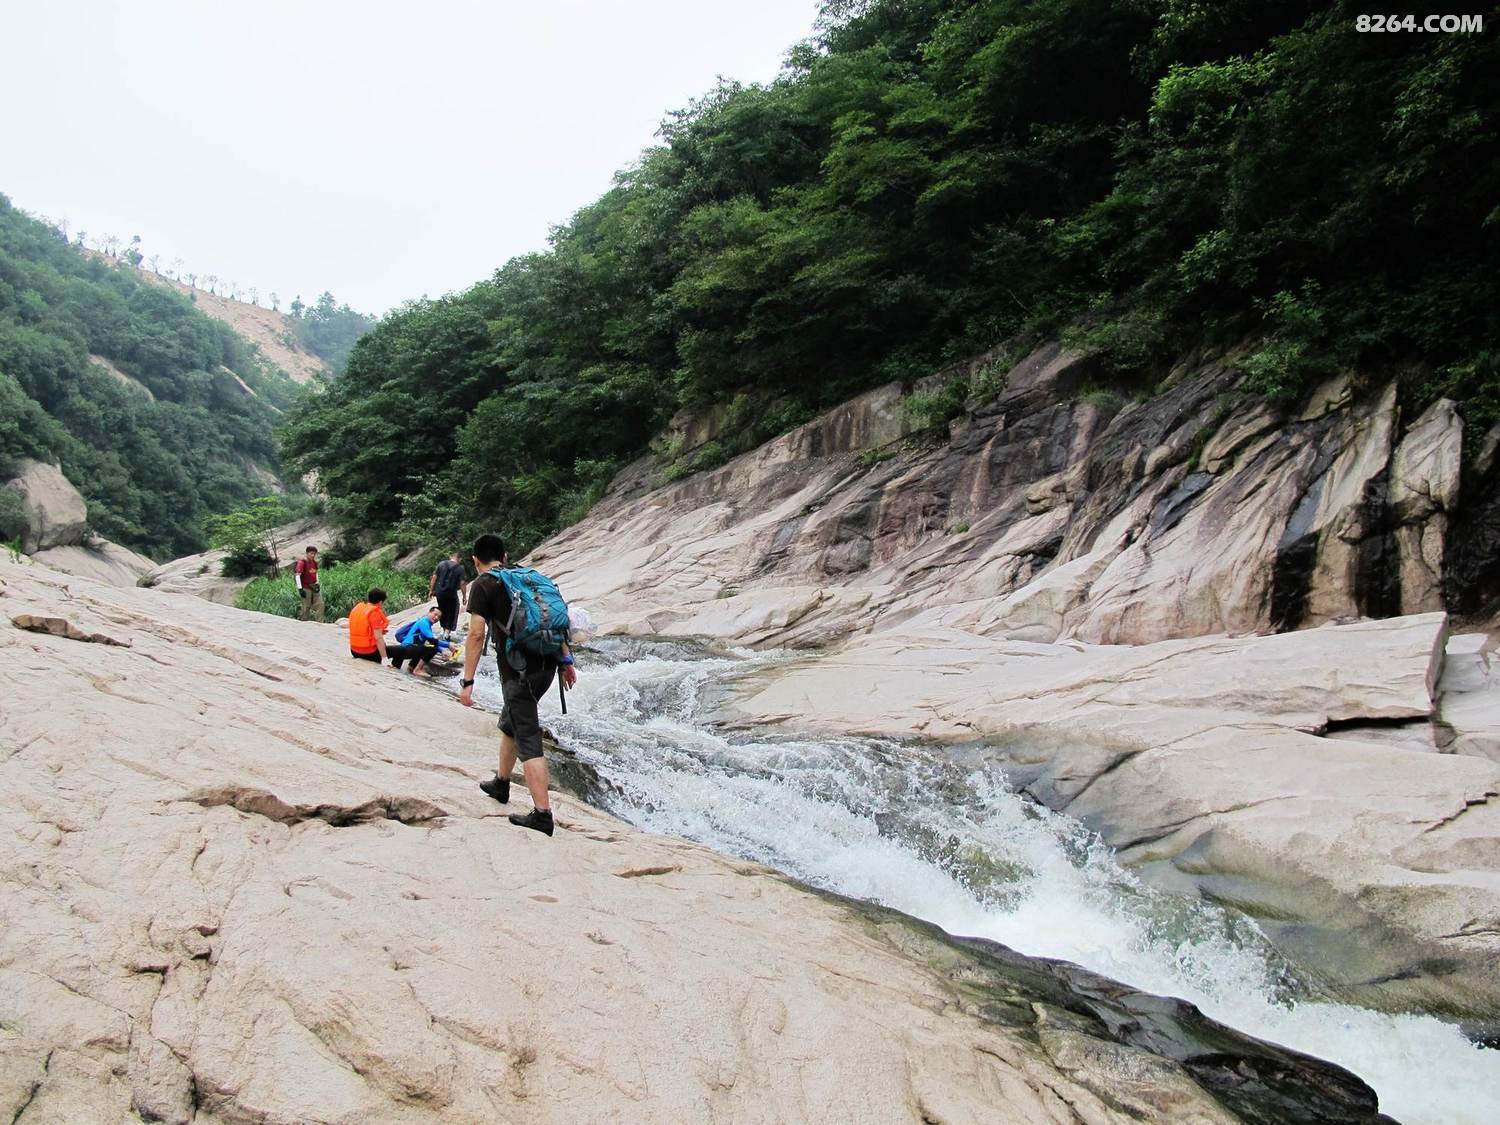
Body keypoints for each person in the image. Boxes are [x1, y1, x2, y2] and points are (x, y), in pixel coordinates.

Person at [460, 532, 577, 837]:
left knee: (527, 734)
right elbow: (555, 621)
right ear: (505, 556)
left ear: (475, 560)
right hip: (547, 668)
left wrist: (467, 681)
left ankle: (542, 814)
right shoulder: (525, 577)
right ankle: (501, 783)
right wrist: (566, 662)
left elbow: (476, 635)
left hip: (519, 673)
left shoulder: (484, 584)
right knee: (509, 721)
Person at [391, 606, 453, 675]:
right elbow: (432, 641)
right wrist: (448, 645)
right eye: (435, 614)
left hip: (404, 650)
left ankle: (411, 668)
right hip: (406, 649)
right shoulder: (424, 623)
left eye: (439, 617)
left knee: (424, 646)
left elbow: (430, 642)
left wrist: (442, 651)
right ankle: (417, 670)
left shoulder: (425, 623)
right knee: (432, 649)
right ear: (429, 612)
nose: (436, 618)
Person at [429, 551, 468, 637]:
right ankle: (447, 633)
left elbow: (434, 577)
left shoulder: (441, 564)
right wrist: (464, 596)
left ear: (450, 557)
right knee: (452, 611)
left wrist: (431, 590)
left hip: (439, 593)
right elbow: (462, 583)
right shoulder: (460, 568)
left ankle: (443, 630)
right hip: (451, 594)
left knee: (442, 610)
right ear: (460, 559)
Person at [348, 588, 391, 663]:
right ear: (380, 602)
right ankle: (393, 667)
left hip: (354, 650)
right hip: (369, 653)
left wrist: (378, 632)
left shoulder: (358, 608)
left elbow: (361, 629)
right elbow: (378, 638)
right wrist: (384, 658)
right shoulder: (374, 613)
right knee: (402, 651)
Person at [294, 546, 323, 622]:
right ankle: (304, 622)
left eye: (314, 554)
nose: (313, 555)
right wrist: (300, 589)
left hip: (314, 586)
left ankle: (320, 622)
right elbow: (297, 575)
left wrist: (317, 583)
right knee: (306, 606)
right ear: (307, 553)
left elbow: (316, 573)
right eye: (311, 553)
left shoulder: (314, 563)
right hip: (305, 587)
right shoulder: (302, 562)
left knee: (320, 604)